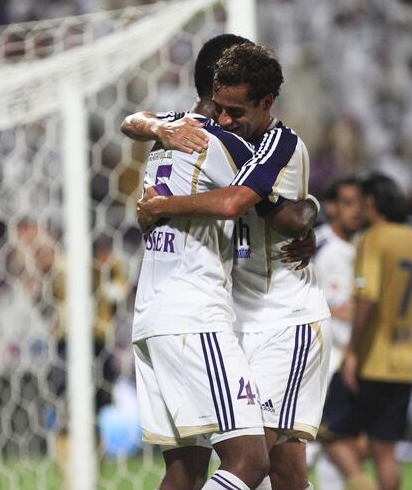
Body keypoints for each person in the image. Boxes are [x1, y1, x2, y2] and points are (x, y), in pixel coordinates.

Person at [136, 42, 330, 490]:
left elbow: (280, 213)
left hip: (281, 318)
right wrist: (152, 126)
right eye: (219, 107)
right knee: (248, 465)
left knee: (261, 464)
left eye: (235, 110)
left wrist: (311, 215)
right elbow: (133, 121)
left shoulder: (277, 143)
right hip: (217, 317)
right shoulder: (195, 132)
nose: (225, 119)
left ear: (265, 103)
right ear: (210, 90)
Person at [320, 173, 412, 490]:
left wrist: (353, 351)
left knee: (328, 432)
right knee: (386, 452)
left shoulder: (373, 238)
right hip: (406, 359)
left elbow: (368, 296)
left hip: (373, 356)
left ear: (372, 203)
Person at [308, 177, 362, 490]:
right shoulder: (318, 244)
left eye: (359, 203)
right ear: (331, 207)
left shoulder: (363, 246)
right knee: (305, 446)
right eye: (347, 203)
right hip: (320, 357)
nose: (355, 211)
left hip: (350, 358)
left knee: (338, 449)